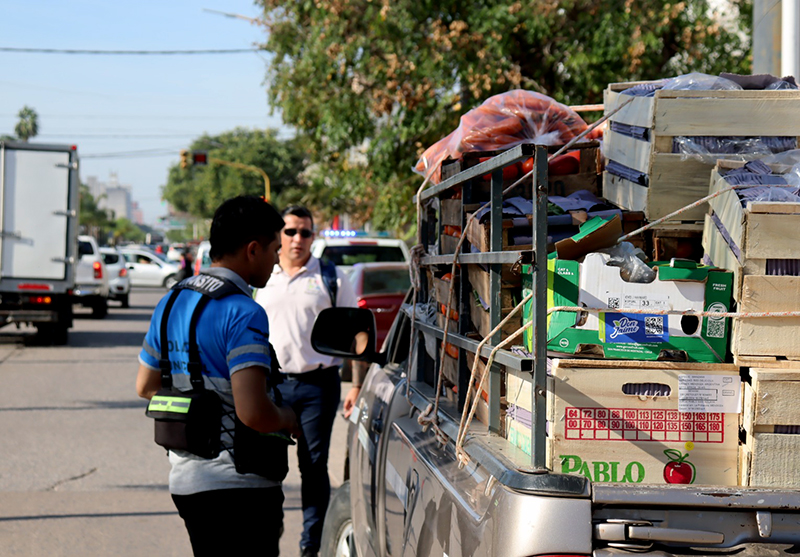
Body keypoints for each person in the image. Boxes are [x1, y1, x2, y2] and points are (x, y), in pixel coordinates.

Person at [136, 195, 299, 556]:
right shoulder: (243, 312)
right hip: (239, 487)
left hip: (186, 481)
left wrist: (195, 400)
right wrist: (288, 418)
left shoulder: (170, 302)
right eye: (275, 249)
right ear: (252, 250)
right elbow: (253, 413)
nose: (277, 259)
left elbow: (145, 386)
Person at [254, 206, 368, 557]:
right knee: (263, 467)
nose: (297, 239)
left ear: (313, 237)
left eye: (305, 232)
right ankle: (265, 534)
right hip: (270, 386)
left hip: (318, 386)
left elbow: (359, 328)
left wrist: (356, 384)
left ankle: (311, 544)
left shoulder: (331, 277)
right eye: (290, 232)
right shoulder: (261, 278)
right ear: (279, 236)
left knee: (314, 467)